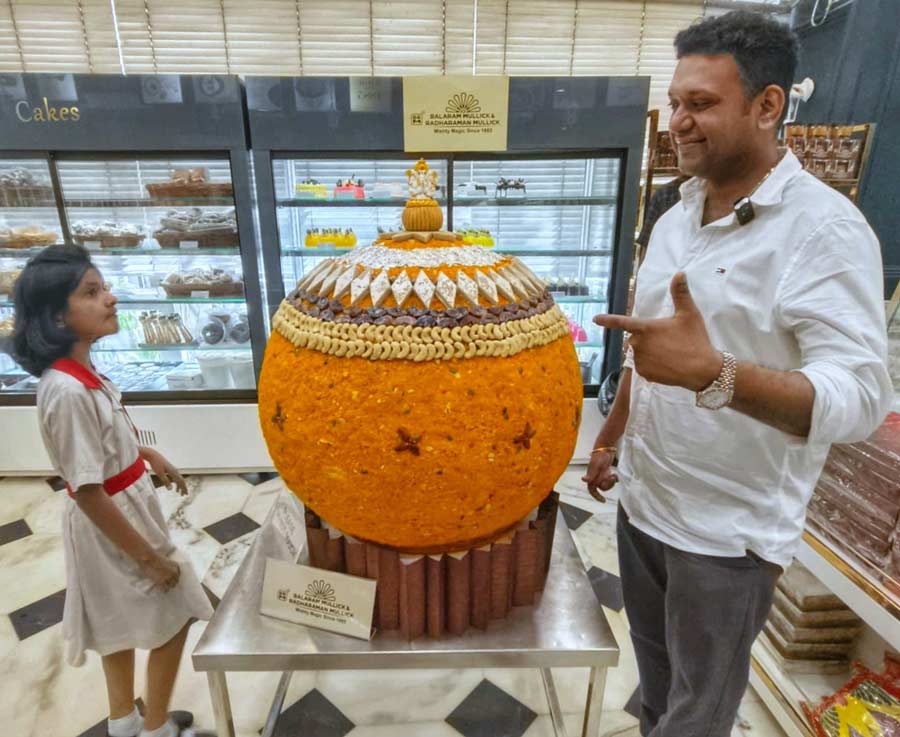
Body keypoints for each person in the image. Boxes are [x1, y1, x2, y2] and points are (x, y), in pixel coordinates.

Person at [583, 10, 892, 737]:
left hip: (726, 540)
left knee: (700, 709)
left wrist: (717, 373)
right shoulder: (673, 218)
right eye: (678, 100)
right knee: (659, 687)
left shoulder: (825, 231)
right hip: (646, 507)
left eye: (701, 104)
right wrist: (614, 439)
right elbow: (651, 350)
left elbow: (860, 399)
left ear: (768, 105)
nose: (680, 122)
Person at [12, 246, 214, 737]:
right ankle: (158, 726)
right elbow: (86, 489)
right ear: (57, 315)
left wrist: (145, 456)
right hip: (113, 523)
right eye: (92, 292)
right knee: (178, 609)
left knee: (115, 623)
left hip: (119, 509)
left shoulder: (82, 376)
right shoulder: (66, 391)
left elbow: (100, 449)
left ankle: (124, 719)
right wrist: (149, 558)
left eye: (104, 287)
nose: (111, 298)